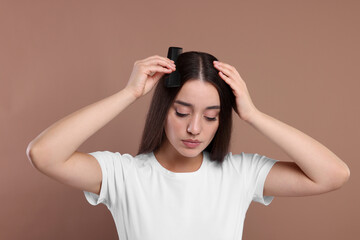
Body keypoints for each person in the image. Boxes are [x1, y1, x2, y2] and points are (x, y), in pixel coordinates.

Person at [26, 51, 350, 240]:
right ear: (162, 110)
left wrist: (253, 115)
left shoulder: (239, 174)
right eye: (182, 112)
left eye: (211, 116)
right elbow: (43, 154)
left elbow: (333, 174)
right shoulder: (124, 175)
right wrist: (129, 94)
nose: (195, 128)